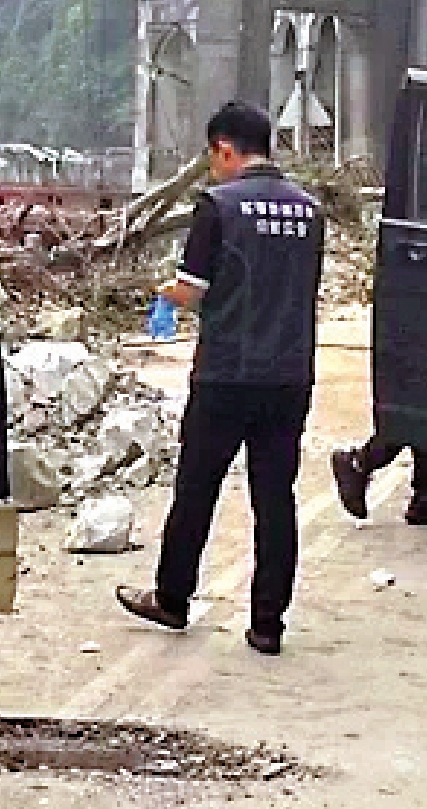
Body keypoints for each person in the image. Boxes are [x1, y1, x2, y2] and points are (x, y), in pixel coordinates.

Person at [116, 100, 324, 656]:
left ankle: (173, 596)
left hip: (227, 373)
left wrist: (162, 295)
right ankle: (267, 624)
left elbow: (192, 289)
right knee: (275, 497)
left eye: (214, 157)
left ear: (224, 149)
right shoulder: (309, 211)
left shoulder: (218, 206)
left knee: (198, 489)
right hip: (289, 373)